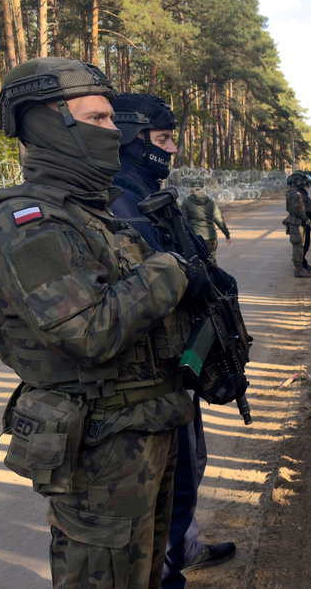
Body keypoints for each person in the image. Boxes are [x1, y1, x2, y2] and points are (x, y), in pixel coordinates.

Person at [0, 57, 196, 588]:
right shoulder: (27, 227)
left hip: (142, 429)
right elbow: (87, 331)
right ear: (50, 123)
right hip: (99, 448)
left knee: (143, 574)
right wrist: (170, 270)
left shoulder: (92, 213)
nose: (112, 131)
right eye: (96, 119)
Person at [109, 93, 236, 587]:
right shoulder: (118, 195)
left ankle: (184, 548)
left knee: (188, 465)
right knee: (171, 478)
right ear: (132, 139)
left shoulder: (144, 191)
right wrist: (193, 276)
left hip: (172, 363)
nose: (171, 151)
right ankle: (170, 571)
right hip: (150, 373)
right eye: (163, 140)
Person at [181, 183, 231, 262]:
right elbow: (219, 220)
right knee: (212, 261)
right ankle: (214, 273)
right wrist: (227, 234)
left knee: (198, 262)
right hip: (210, 237)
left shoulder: (186, 203)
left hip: (196, 238)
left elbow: (183, 221)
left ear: (191, 190)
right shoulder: (211, 202)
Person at [284, 171, 311, 278]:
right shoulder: (294, 193)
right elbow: (298, 209)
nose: (304, 182)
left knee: (302, 245)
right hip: (296, 222)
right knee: (298, 245)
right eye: (302, 180)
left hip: (299, 221)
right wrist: (306, 219)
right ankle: (298, 269)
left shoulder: (299, 192)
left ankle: (301, 265)